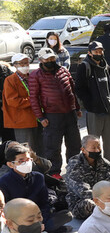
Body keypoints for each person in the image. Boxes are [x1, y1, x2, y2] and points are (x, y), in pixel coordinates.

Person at [29, 47, 82, 176]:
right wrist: (40, 117)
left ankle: (74, 169)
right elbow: (34, 98)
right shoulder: (35, 75)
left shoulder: (63, 71)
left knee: (75, 144)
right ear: (41, 60)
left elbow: (72, 91)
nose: (50, 61)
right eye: (47, 59)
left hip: (70, 113)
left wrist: (77, 108)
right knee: (53, 146)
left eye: (52, 58)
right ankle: (54, 173)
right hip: (52, 116)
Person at [0, 142, 72, 233]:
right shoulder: (4, 182)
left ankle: (41, 229)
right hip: (19, 221)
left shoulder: (38, 177)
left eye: (28, 159)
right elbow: (7, 210)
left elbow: (44, 202)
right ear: (10, 164)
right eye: (21, 161)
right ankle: (47, 230)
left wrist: (40, 220)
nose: (26, 163)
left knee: (67, 215)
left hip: (39, 216)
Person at [63, 136, 110, 221]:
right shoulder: (74, 165)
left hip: (106, 199)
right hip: (82, 201)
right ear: (83, 150)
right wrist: (106, 199)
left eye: (98, 147)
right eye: (93, 148)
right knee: (89, 204)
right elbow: (83, 192)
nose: (97, 150)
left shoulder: (105, 163)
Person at [74, 41, 110, 170]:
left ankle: (109, 166)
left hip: (109, 110)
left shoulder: (106, 66)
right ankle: (95, 167)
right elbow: (79, 88)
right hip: (94, 112)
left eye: (101, 51)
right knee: (94, 142)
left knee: (109, 141)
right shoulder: (85, 67)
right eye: (96, 51)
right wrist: (90, 104)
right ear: (90, 52)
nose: (99, 53)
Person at [2, 53, 42, 149]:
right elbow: (13, 101)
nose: (25, 66)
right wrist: (34, 101)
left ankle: (40, 164)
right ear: (15, 65)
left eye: (27, 63)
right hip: (21, 120)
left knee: (41, 147)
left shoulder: (33, 76)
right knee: (27, 149)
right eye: (22, 63)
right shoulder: (10, 80)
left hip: (37, 118)